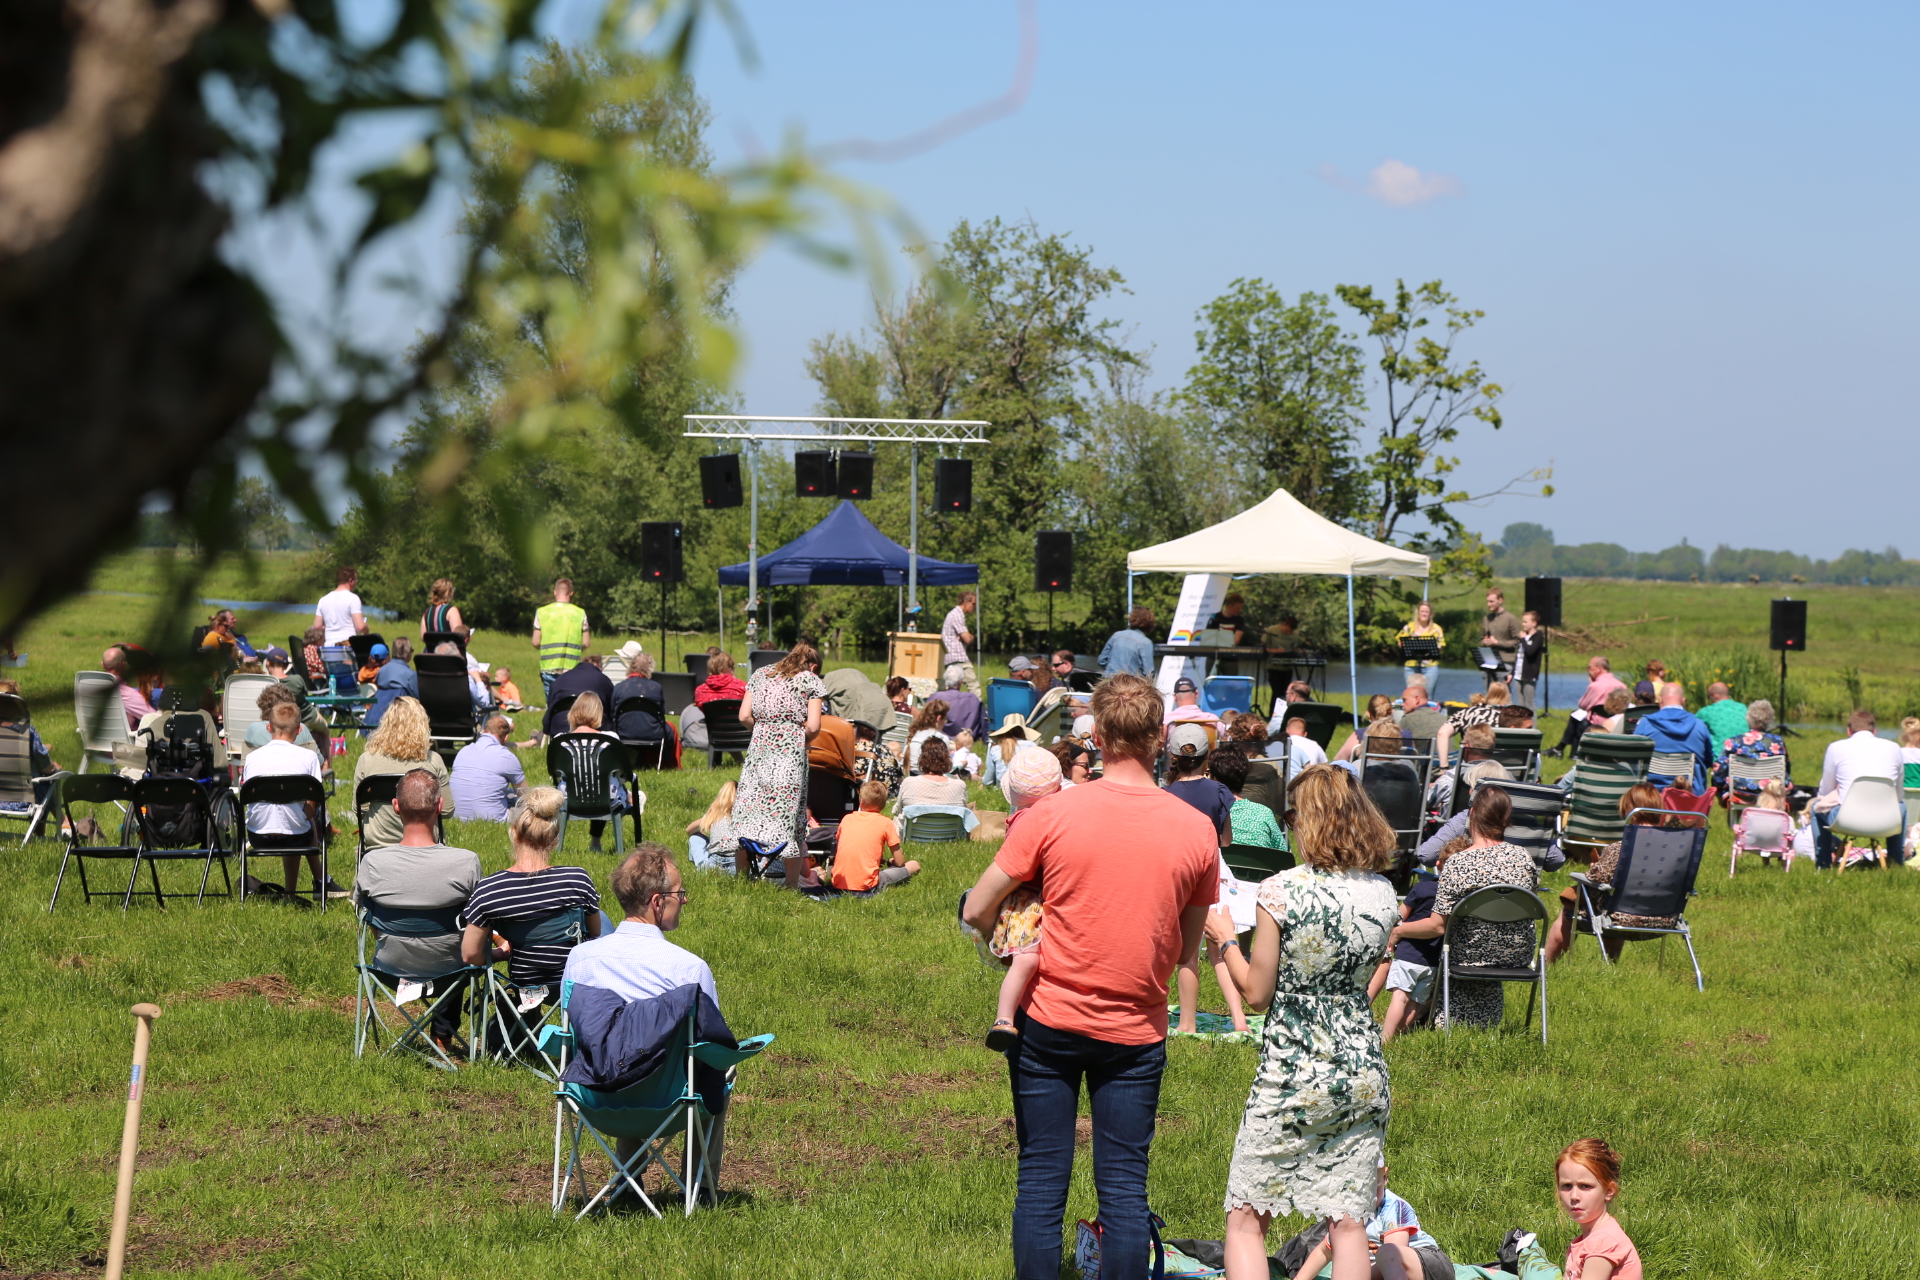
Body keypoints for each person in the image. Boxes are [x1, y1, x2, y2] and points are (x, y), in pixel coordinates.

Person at [961, 673, 1216, 1280]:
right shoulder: (1196, 829)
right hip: (1136, 1029)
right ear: (1160, 737)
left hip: (1049, 1018)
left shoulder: (1051, 814)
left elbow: (976, 908)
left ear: (1096, 736)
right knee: (1125, 1191)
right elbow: (1185, 947)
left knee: (1042, 1178)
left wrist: (1017, 937)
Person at [1200, 764, 1398, 1280]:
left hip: (1293, 1069)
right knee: (1348, 1222)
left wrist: (1224, 939)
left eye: (1291, 816)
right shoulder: (1383, 894)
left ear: (1305, 820)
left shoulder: (1281, 889)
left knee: (1245, 1218)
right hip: (1361, 1068)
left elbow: (1258, 993)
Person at [561, 845, 734, 1188]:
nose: (683, 900)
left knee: (617, 1048)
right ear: (657, 902)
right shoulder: (688, 968)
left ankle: (628, 1180)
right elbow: (710, 1045)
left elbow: (579, 1034)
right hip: (668, 1104)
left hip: (596, 1099)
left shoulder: (581, 960)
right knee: (723, 1065)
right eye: (679, 893)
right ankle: (700, 1185)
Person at [458, 786, 601, 1049]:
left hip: (525, 981)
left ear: (514, 833)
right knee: (598, 914)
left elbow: (470, 955)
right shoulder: (577, 879)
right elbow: (595, 934)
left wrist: (503, 952)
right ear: (555, 839)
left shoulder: (490, 889)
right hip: (571, 982)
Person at [355, 769, 484, 1056]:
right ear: (439, 807)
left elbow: (368, 921)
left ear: (396, 806)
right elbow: (476, 923)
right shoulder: (466, 862)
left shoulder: (373, 862)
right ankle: (443, 1033)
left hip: (389, 967)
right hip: (451, 972)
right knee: (461, 945)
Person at [973, 750, 1065, 1049]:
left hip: (1046, 895)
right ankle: (1004, 1019)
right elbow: (1019, 871)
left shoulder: (1050, 814)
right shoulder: (1027, 821)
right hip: (1028, 901)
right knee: (1026, 959)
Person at [1430, 787, 1537, 1027]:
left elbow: (1438, 925)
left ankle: (1422, 1012)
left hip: (1468, 955)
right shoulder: (1524, 858)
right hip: (1516, 956)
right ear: (1506, 819)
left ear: (1473, 813)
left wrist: (1397, 932)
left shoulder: (1458, 862)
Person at [1544, 784, 1675, 964]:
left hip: (1622, 919)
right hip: (1664, 919)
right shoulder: (1676, 850)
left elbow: (1597, 878)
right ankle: (1611, 964)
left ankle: (1545, 965)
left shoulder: (1619, 849)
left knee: (1571, 910)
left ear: (1630, 810)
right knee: (1613, 899)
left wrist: (1593, 868)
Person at [732, 644, 825, 890]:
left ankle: (742, 881)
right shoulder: (810, 680)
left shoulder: (760, 674)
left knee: (747, 817)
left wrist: (765, 732)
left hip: (758, 754)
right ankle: (791, 885)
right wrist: (791, 736)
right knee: (789, 822)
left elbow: (743, 716)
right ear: (813, 666)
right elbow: (814, 726)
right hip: (790, 759)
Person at [1288, 1160, 1454, 1280]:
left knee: (1386, 1252)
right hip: (1389, 1270)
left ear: (1385, 1177)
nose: (1368, 1198)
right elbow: (1325, 1250)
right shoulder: (1348, 1216)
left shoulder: (1393, 1207)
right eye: (1360, 1192)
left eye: (1374, 1189)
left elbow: (1395, 1252)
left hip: (1429, 1265)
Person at [240, 702, 338, 898]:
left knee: (291, 815)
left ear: (269, 727)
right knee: (300, 817)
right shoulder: (308, 757)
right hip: (296, 838)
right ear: (299, 729)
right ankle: (311, 885)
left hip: (258, 836)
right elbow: (315, 798)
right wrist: (306, 813)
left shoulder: (252, 758)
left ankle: (295, 891)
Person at [1517, 1139, 1643, 1280]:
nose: (1574, 1196)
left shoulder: (1604, 1242)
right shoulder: (1589, 1238)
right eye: (1566, 1186)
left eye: (1585, 1186)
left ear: (1609, 1191)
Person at [353, 697, 454, 848]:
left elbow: (358, 809)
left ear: (386, 723)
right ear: (422, 724)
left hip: (377, 845)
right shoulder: (433, 761)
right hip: (424, 844)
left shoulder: (367, 760)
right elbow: (447, 810)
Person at [1812, 708, 1906, 868]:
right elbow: (1898, 795)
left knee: (1816, 809)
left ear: (1849, 731)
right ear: (1874, 731)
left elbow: (1825, 792)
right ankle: (1896, 863)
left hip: (1847, 819)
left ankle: (1823, 865)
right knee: (1902, 807)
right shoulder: (1894, 748)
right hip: (1886, 820)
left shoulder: (1835, 747)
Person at [1371, 865, 1441, 1046]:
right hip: (1431, 961)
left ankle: (1385, 1039)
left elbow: (1399, 915)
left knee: (1400, 998)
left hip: (1407, 956)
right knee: (1415, 1002)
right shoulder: (1453, 896)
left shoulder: (1422, 888)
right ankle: (1400, 1036)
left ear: (1439, 864)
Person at [832, 780, 920, 894]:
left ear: (861, 801)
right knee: (914, 865)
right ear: (883, 805)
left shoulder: (847, 819)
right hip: (867, 886)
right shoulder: (886, 823)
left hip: (839, 883)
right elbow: (900, 862)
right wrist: (890, 861)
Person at [1633, 683, 1713, 793]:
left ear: (1660, 700)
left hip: (1651, 797)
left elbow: (1633, 757)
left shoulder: (1645, 724)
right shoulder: (1699, 725)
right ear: (1683, 701)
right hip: (1690, 796)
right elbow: (1708, 760)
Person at [1208, 746, 1288, 851]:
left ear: (1215, 779)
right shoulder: (1264, 814)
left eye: (1208, 774)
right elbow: (1282, 854)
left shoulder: (1205, 813)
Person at [450, 714, 526, 821]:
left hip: (456, 817)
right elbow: (525, 796)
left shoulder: (463, 751)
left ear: (484, 731)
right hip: (492, 819)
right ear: (506, 737)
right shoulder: (506, 757)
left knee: (508, 793)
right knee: (527, 811)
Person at [532, 578, 590, 698]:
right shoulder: (579, 613)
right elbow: (586, 643)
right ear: (571, 593)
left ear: (555, 592)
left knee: (552, 707)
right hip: (572, 668)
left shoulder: (542, 612)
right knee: (569, 706)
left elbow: (536, 642)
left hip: (549, 667)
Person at [610, 652, 674, 754]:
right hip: (652, 733)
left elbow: (612, 714)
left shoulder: (618, 687)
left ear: (631, 667)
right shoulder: (656, 688)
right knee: (672, 729)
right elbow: (661, 713)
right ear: (649, 668)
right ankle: (666, 764)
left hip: (622, 732)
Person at [541, 655, 615, 742]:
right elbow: (611, 709)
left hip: (559, 724)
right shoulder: (603, 679)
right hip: (595, 727)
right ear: (596, 665)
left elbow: (551, 705)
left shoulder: (560, 679)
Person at [361, 637, 421, 731]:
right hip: (399, 720)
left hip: (375, 718)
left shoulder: (382, 671)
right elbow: (418, 698)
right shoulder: (410, 675)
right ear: (408, 653)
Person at [687, 780, 740, 872]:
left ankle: (701, 866)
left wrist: (703, 834)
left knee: (695, 838)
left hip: (713, 865)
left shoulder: (715, 814)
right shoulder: (745, 815)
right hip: (737, 866)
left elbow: (689, 830)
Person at [101, 645, 157, 730]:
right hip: (126, 741)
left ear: (103, 665)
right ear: (124, 665)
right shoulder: (128, 694)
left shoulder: (88, 687)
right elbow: (154, 719)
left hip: (96, 741)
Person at [984, 713, 1043, 790]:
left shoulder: (995, 749)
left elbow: (988, 781)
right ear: (1023, 731)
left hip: (1003, 789)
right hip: (1027, 789)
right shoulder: (1031, 745)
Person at [1693, 682, 1749, 762]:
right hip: (1745, 757)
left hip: (1721, 759)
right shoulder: (1743, 708)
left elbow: (1691, 726)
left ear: (1715, 695)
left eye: (1710, 697)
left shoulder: (1707, 711)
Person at [1098, 606, 1157, 679]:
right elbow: (1148, 673)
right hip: (1128, 686)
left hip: (1108, 681)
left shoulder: (1117, 635)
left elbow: (1101, 661)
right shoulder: (1146, 643)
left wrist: (1112, 670)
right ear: (1149, 623)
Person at [315, 566, 369, 645]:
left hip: (329, 647)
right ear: (351, 581)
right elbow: (360, 627)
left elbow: (317, 626)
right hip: (348, 646)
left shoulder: (323, 600)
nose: (356, 582)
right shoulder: (353, 599)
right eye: (356, 579)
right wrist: (366, 628)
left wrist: (332, 627)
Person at [1395, 601, 1445, 686]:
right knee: (1411, 693)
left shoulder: (1436, 629)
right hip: (1411, 665)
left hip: (1430, 666)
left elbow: (1441, 645)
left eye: (1427, 612)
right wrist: (1407, 644)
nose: (1424, 614)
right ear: (1418, 612)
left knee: (1427, 696)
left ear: (1431, 614)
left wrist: (1431, 647)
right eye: (1422, 611)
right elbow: (1399, 643)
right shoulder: (1409, 627)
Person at [1336, 695, 1397, 763]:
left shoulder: (1361, 735)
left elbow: (1339, 760)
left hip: (1367, 773)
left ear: (1368, 714)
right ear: (1392, 712)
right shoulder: (1406, 735)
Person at [1480, 588, 1521, 687]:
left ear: (1500, 600)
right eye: (1487, 601)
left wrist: (1497, 643)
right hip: (1489, 660)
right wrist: (1485, 641)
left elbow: (1517, 642)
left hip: (1505, 661)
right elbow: (1481, 638)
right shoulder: (1486, 618)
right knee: (1489, 694)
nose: (1488, 604)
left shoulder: (1511, 619)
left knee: (1504, 695)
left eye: (1491, 601)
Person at [941, 591, 978, 694]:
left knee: (951, 688)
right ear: (966, 602)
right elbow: (968, 639)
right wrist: (971, 636)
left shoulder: (954, 614)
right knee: (973, 686)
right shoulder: (957, 615)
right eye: (973, 604)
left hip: (950, 656)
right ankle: (977, 708)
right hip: (957, 657)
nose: (974, 607)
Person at [906, 699, 956, 774]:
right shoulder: (941, 738)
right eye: (945, 720)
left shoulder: (912, 734)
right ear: (939, 718)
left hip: (911, 774)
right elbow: (946, 768)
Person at [1513, 611, 1547, 711]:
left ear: (1534, 623)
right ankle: (1521, 726)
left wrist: (1523, 639)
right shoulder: (1523, 635)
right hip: (1518, 673)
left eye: (1525, 622)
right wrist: (1512, 673)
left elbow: (1530, 651)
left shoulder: (1538, 636)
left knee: (1529, 703)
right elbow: (1518, 655)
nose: (1523, 624)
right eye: (1522, 622)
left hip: (1529, 675)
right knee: (1520, 704)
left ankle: (1532, 726)